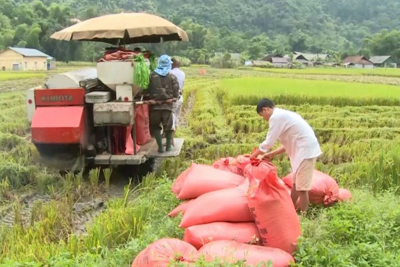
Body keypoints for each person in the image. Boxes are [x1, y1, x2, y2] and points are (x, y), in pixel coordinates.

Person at [250, 98, 322, 213]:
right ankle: (290, 208)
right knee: (295, 184)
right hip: (302, 152)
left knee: (302, 189)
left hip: (306, 152)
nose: (264, 119)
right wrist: (272, 154)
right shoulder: (283, 115)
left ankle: (303, 216)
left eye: (262, 115)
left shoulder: (276, 117)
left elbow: (269, 142)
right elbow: (288, 143)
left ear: (265, 109)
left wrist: (254, 155)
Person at [147, 55, 180, 153]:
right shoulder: (172, 77)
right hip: (167, 107)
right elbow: (176, 92)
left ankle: (160, 147)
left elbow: (146, 90)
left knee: (155, 126)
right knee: (168, 127)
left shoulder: (152, 75)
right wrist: (173, 98)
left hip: (154, 107)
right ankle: (169, 146)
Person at [169, 58, 186, 145]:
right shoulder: (183, 73)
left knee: (171, 117)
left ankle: (171, 140)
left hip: (174, 98)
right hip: (180, 98)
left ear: (172, 64)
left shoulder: (170, 73)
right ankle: (173, 138)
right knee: (176, 117)